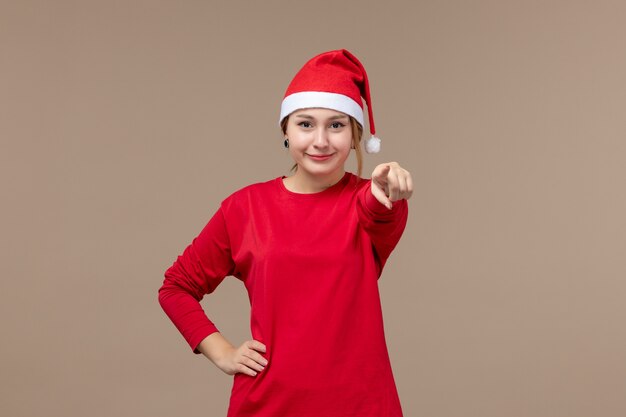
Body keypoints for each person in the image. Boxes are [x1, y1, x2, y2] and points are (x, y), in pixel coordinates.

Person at [158, 49, 413, 417]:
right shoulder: (244, 208)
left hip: (360, 404)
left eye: (336, 125)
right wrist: (222, 352)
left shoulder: (367, 201)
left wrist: (387, 192)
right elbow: (175, 288)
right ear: (286, 130)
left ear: (356, 134)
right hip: (267, 404)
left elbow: (381, 215)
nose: (320, 141)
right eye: (306, 124)